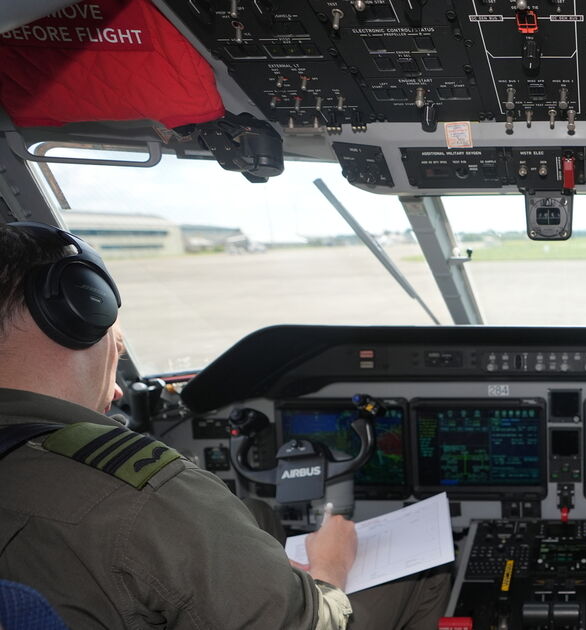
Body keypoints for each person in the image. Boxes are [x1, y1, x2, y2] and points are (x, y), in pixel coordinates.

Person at [0, 221, 448, 629]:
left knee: (259, 517)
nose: (117, 392)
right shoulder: (142, 494)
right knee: (425, 577)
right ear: (84, 307)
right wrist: (330, 568)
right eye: (117, 352)